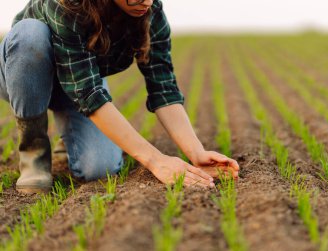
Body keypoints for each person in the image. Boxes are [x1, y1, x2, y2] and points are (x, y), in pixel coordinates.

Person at [0, 0, 239, 194]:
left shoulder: (150, 11)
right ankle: (34, 152)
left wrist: (196, 153)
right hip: (22, 75)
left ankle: (69, 138)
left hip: (79, 81)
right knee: (30, 34)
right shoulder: (68, 4)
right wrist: (157, 161)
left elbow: (163, 88)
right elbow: (89, 93)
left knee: (99, 168)